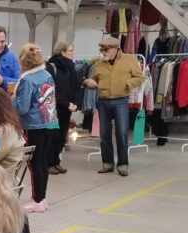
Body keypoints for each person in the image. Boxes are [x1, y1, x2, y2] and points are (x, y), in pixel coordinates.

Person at [82, 35, 144, 176]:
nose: (103, 52)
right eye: (102, 49)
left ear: (115, 49)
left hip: (121, 101)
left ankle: (123, 164)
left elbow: (140, 77)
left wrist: (126, 84)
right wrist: (89, 83)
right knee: (104, 134)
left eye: (106, 49)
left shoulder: (129, 60)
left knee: (121, 133)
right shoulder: (99, 63)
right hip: (103, 101)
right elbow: (95, 81)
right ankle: (107, 163)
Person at [14, 43, 58, 214]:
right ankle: (42, 197)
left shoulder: (27, 80)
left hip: (35, 125)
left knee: (34, 162)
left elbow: (22, 108)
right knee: (43, 162)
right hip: (51, 122)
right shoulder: (47, 74)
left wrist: (10, 100)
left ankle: (37, 200)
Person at [47, 40, 80, 174]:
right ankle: (49, 163)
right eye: (70, 50)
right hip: (54, 109)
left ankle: (56, 162)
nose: (72, 53)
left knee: (62, 137)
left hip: (67, 109)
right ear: (62, 52)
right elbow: (52, 89)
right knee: (52, 136)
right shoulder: (51, 66)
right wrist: (67, 103)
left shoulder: (71, 67)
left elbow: (76, 86)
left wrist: (76, 103)